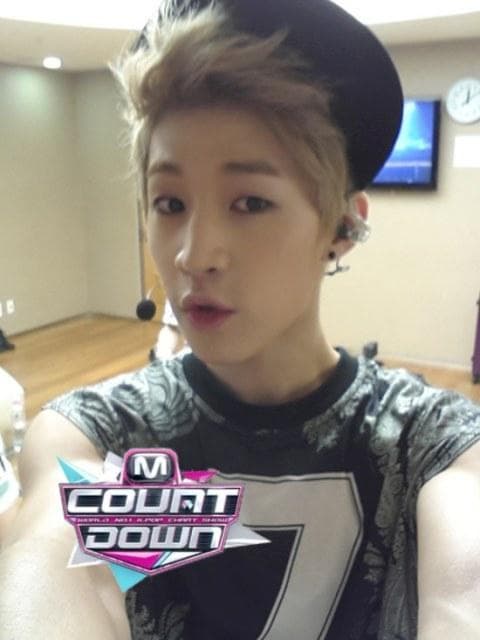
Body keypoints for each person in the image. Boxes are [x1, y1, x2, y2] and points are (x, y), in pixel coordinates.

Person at [1, 1, 480, 638]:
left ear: (342, 226)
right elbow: (58, 561)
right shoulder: (105, 438)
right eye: (169, 202)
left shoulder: (426, 447)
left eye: (250, 202)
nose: (193, 254)